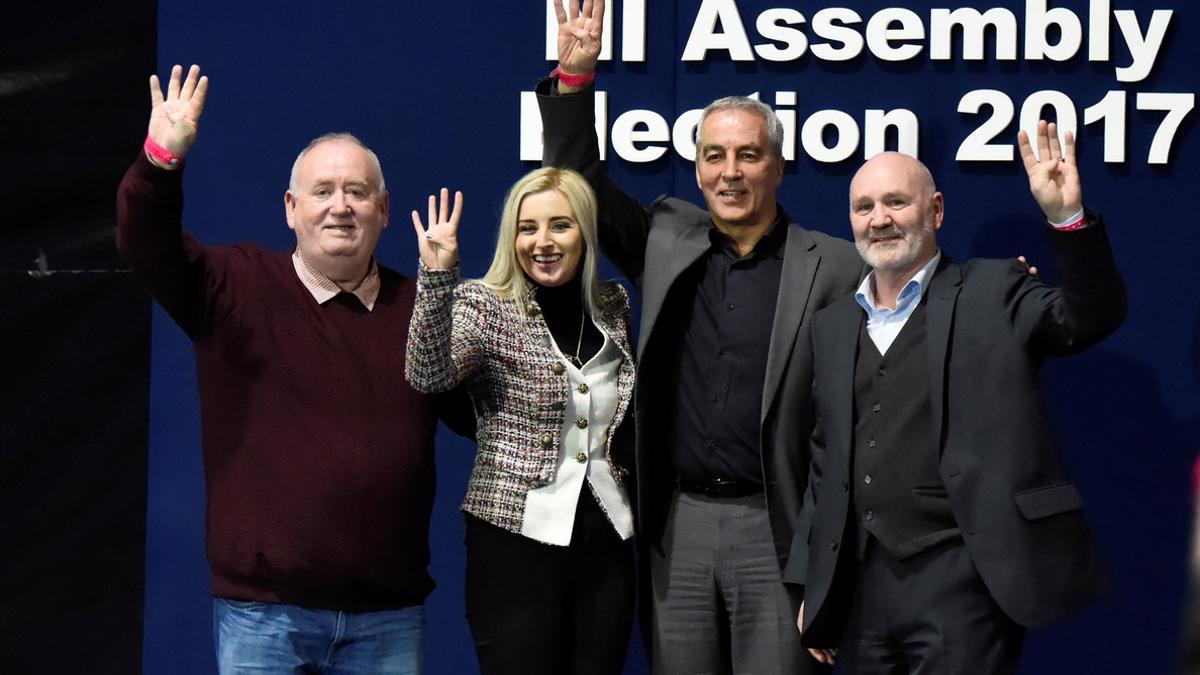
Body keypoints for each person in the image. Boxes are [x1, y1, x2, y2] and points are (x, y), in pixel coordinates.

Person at [537, 2, 864, 672]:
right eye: (714, 156)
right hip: (677, 522)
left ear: (777, 165)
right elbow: (579, 188)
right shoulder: (665, 236)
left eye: (748, 155)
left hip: (775, 528)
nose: (730, 172)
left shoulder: (834, 265)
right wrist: (575, 83)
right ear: (696, 166)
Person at [115, 64, 471, 674]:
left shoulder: (423, 308)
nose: (341, 207)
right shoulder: (232, 287)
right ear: (290, 208)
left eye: (357, 193)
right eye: (323, 191)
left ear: (385, 210)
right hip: (264, 617)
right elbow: (145, 242)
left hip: (387, 619)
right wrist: (159, 160)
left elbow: (478, 414)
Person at [785, 121, 1127, 673]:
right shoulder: (832, 325)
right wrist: (812, 584)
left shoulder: (996, 290)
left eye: (897, 201)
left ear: (936, 210)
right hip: (859, 589)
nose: (880, 219)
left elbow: (1090, 317)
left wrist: (1067, 218)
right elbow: (826, 464)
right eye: (864, 206)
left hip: (964, 577)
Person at [404, 168, 638, 675]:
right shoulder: (483, 305)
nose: (543, 242)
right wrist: (438, 276)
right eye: (527, 227)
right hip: (513, 543)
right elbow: (428, 374)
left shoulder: (612, 306)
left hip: (607, 542)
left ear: (585, 233)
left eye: (560, 225)